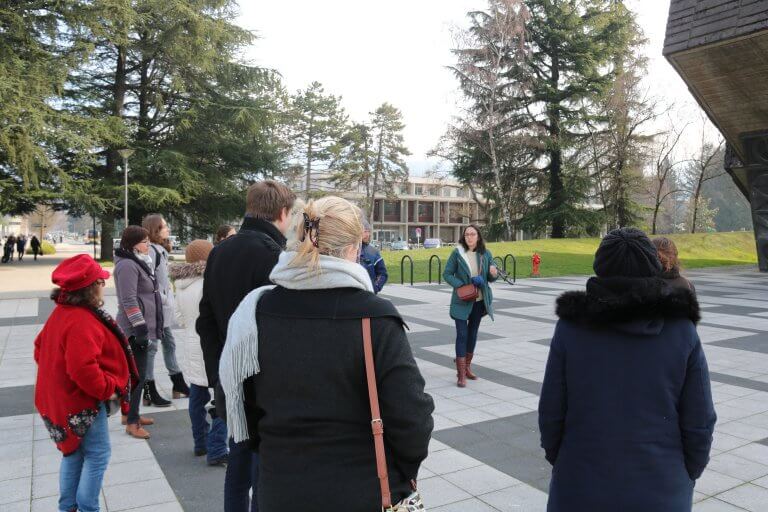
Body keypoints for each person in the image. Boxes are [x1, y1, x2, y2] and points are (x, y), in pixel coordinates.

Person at [220, 196, 434, 511]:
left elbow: (236, 402)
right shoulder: (375, 318)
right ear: (354, 249)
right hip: (361, 490)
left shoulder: (255, 311)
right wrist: (402, 470)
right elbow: (412, 418)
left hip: (280, 488)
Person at [539, 228, 716, 512]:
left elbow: (551, 411)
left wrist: (562, 460)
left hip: (580, 483)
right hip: (662, 486)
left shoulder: (571, 328)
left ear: (600, 267)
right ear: (652, 266)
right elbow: (700, 419)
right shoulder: (681, 329)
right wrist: (686, 474)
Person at [197, 180, 296, 512]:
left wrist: (217, 374)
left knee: (239, 461)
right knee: (261, 469)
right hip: (263, 382)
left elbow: (206, 321)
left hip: (229, 374)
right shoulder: (275, 256)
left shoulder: (220, 251)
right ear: (283, 212)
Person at [34, 254, 138, 512]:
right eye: (100, 281)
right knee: (98, 454)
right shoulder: (81, 319)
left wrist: (58, 374)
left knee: (73, 454)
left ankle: (68, 507)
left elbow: (39, 349)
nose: (104, 285)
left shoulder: (63, 312)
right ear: (90, 288)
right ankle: (88, 508)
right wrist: (107, 388)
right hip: (81, 403)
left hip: (61, 399)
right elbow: (82, 369)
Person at [170, 239, 228, 466]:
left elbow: (180, 318)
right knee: (222, 396)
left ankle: (200, 442)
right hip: (212, 345)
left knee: (197, 395)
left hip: (192, 344)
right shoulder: (211, 283)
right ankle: (217, 447)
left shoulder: (181, 285)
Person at [114, 225, 165, 438]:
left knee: (137, 376)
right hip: (134, 330)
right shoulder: (127, 265)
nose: (148, 245)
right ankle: (132, 422)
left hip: (142, 327)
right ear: (134, 245)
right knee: (138, 376)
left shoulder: (138, 261)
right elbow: (129, 300)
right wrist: (141, 328)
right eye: (145, 242)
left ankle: (130, 414)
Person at [142, 214, 189, 405]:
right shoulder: (152, 251)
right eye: (164, 226)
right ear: (155, 229)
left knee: (169, 343)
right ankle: (149, 390)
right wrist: (163, 298)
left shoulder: (159, 250)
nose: (168, 228)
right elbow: (148, 280)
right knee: (152, 347)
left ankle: (178, 383)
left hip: (163, 308)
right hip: (155, 307)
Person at [443, 225, 498, 387]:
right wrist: (462, 285)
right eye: (467, 234)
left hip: (479, 301)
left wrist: (493, 274)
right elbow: (447, 274)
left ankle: (466, 367)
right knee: (462, 334)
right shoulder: (457, 253)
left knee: (472, 333)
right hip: (462, 300)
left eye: (472, 234)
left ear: (478, 236)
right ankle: (461, 374)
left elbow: (491, 277)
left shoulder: (485, 254)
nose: (469, 237)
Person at [359, 217, 388, 294]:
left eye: (369, 231)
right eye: (365, 231)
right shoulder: (348, 250)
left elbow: (382, 273)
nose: (367, 234)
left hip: (369, 295)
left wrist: (375, 287)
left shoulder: (373, 252)